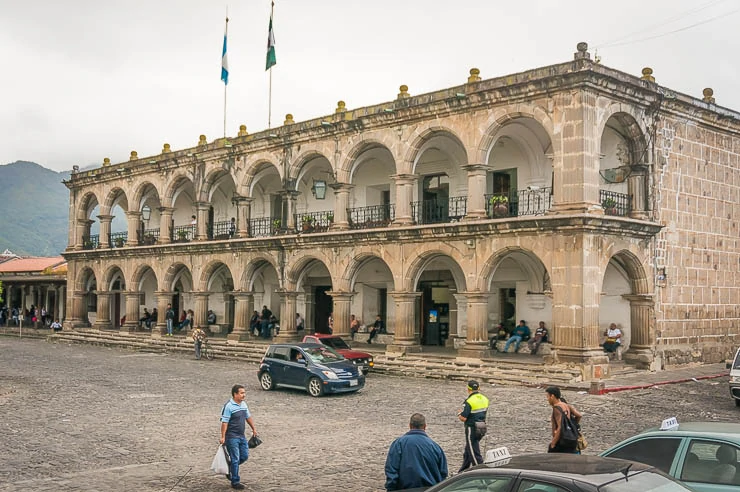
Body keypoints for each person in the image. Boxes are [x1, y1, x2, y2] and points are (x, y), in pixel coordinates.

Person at [384, 413, 448, 491]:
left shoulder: (399, 443)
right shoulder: (435, 447)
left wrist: (391, 488)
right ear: (425, 426)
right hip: (429, 489)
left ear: (410, 426)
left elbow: (392, 469)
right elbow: (443, 473)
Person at [220, 384, 258, 490]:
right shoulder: (228, 406)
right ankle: (235, 481)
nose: (244, 395)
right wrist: (223, 437)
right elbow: (224, 423)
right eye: (241, 393)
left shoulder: (243, 404)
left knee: (244, 456)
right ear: (235, 394)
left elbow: (248, 417)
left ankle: (231, 469)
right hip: (231, 437)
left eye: (244, 393)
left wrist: (254, 429)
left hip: (241, 436)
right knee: (235, 458)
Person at [457, 380, 489, 473]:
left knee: (474, 453)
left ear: (468, 389)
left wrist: (459, 413)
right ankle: (462, 471)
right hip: (482, 427)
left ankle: (480, 472)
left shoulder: (469, 401)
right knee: (468, 450)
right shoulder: (485, 399)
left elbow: (463, 418)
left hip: (471, 428)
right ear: (478, 388)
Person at [545, 386, 581, 454]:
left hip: (562, 440)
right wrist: (573, 427)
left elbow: (560, 427)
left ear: (552, 396)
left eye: (548, 397)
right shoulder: (566, 405)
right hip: (570, 439)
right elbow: (579, 415)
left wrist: (553, 443)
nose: (547, 399)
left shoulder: (557, 408)